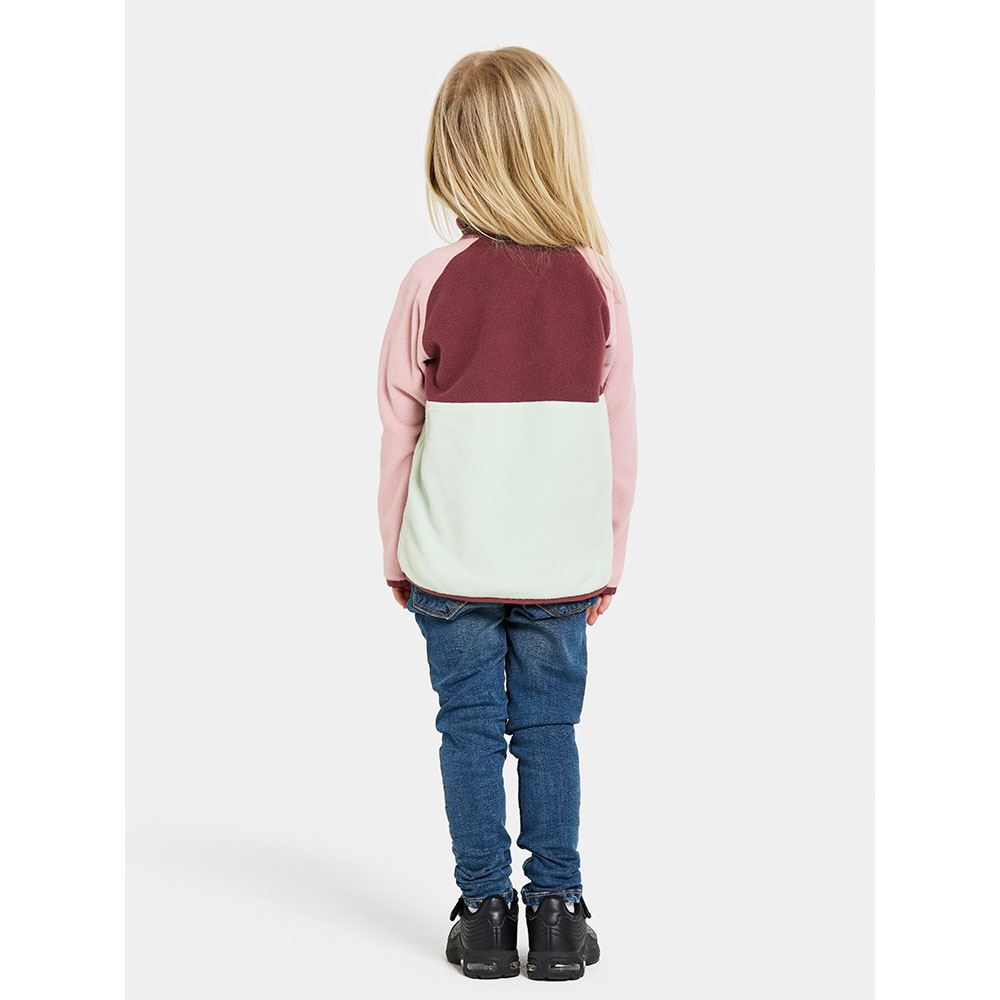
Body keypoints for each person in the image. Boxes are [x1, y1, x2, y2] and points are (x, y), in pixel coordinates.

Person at [376, 46, 637, 980]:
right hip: (561, 565)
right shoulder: (596, 281)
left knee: (469, 727)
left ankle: (486, 914)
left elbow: (399, 430)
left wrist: (396, 552)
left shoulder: (430, 279)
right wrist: (607, 557)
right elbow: (617, 434)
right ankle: (558, 912)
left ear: (453, 152)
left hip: (450, 561)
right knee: (551, 730)